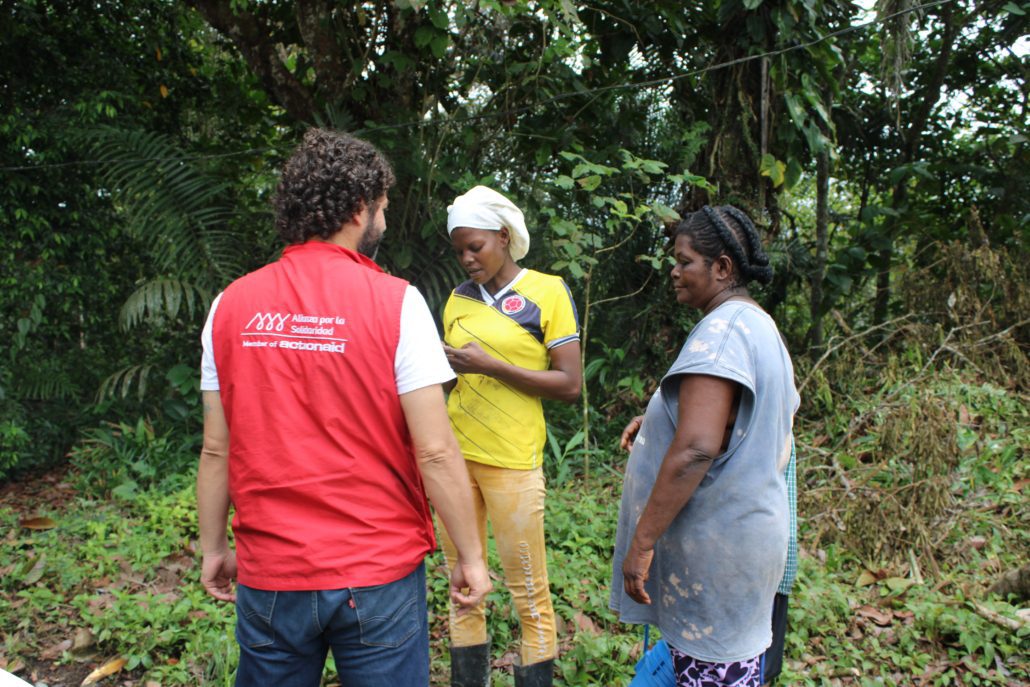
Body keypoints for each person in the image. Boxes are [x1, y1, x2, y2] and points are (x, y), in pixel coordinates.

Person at [196, 129, 491, 687]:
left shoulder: (228, 305)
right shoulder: (397, 303)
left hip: (271, 570)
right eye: (382, 207)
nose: (384, 221)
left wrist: (214, 546)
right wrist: (471, 557)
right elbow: (433, 449)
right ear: (359, 209)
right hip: (376, 572)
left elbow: (217, 446)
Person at [610, 205, 799, 687]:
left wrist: (642, 544)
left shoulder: (722, 332)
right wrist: (655, 421)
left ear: (722, 268)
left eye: (685, 260)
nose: (674, 271)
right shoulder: (759, 327)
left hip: (718, 558)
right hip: (741, 548)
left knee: (711, 671)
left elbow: (696, 448)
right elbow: (731, 424)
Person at [439, 186, 582, 687]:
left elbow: (569, 384)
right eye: (458, 250)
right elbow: (452, 379)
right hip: (455, 460)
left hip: (512, 461)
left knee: (527, 588)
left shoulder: (547, 290)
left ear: (504, 236)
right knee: (461, 584)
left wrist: (492, 367)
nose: (466, 258)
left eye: (475, 246)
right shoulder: (457, 298)